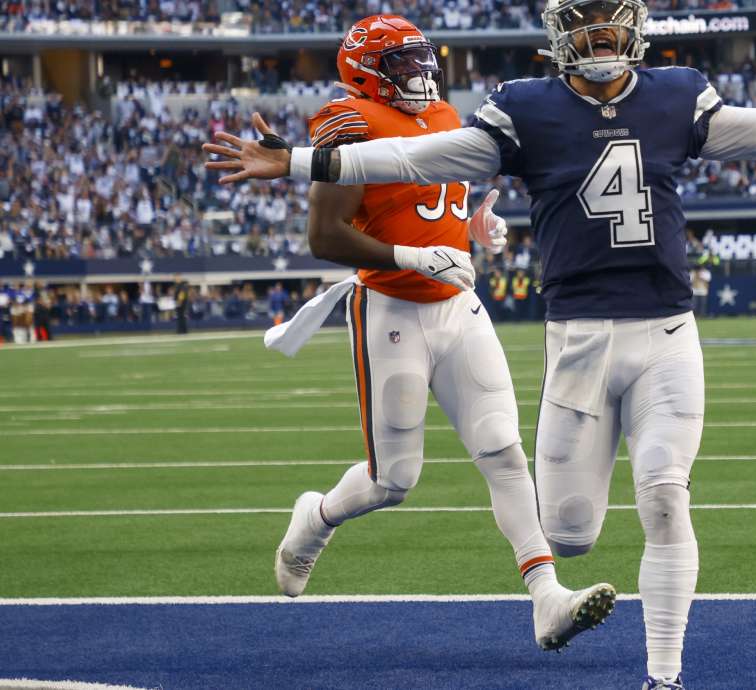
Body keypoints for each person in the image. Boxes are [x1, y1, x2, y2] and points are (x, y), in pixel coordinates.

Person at [203, 2, 756, 684]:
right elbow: (413, 163)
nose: (602, 33)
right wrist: (298, 162)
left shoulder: (678, 94)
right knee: (553, 524)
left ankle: (656, 668)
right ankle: (339, 519)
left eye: (611, 16)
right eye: (587, 19)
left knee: (658, 494)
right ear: (561, 32)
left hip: (665, 329)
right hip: (558, 336)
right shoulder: (522, 109)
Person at [218, 15, 615, 653]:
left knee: (504, 453)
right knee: (393, 481)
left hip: (458, 307)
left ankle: (547, 599)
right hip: (391, 310)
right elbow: (324, 236)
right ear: (366, 72)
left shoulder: (445, 115)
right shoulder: (349, 120)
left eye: (421, 59)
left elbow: (435, 205)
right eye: (402, 63)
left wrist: (474, 226)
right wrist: (410, 256)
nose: (420, 73)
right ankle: (316, 516)